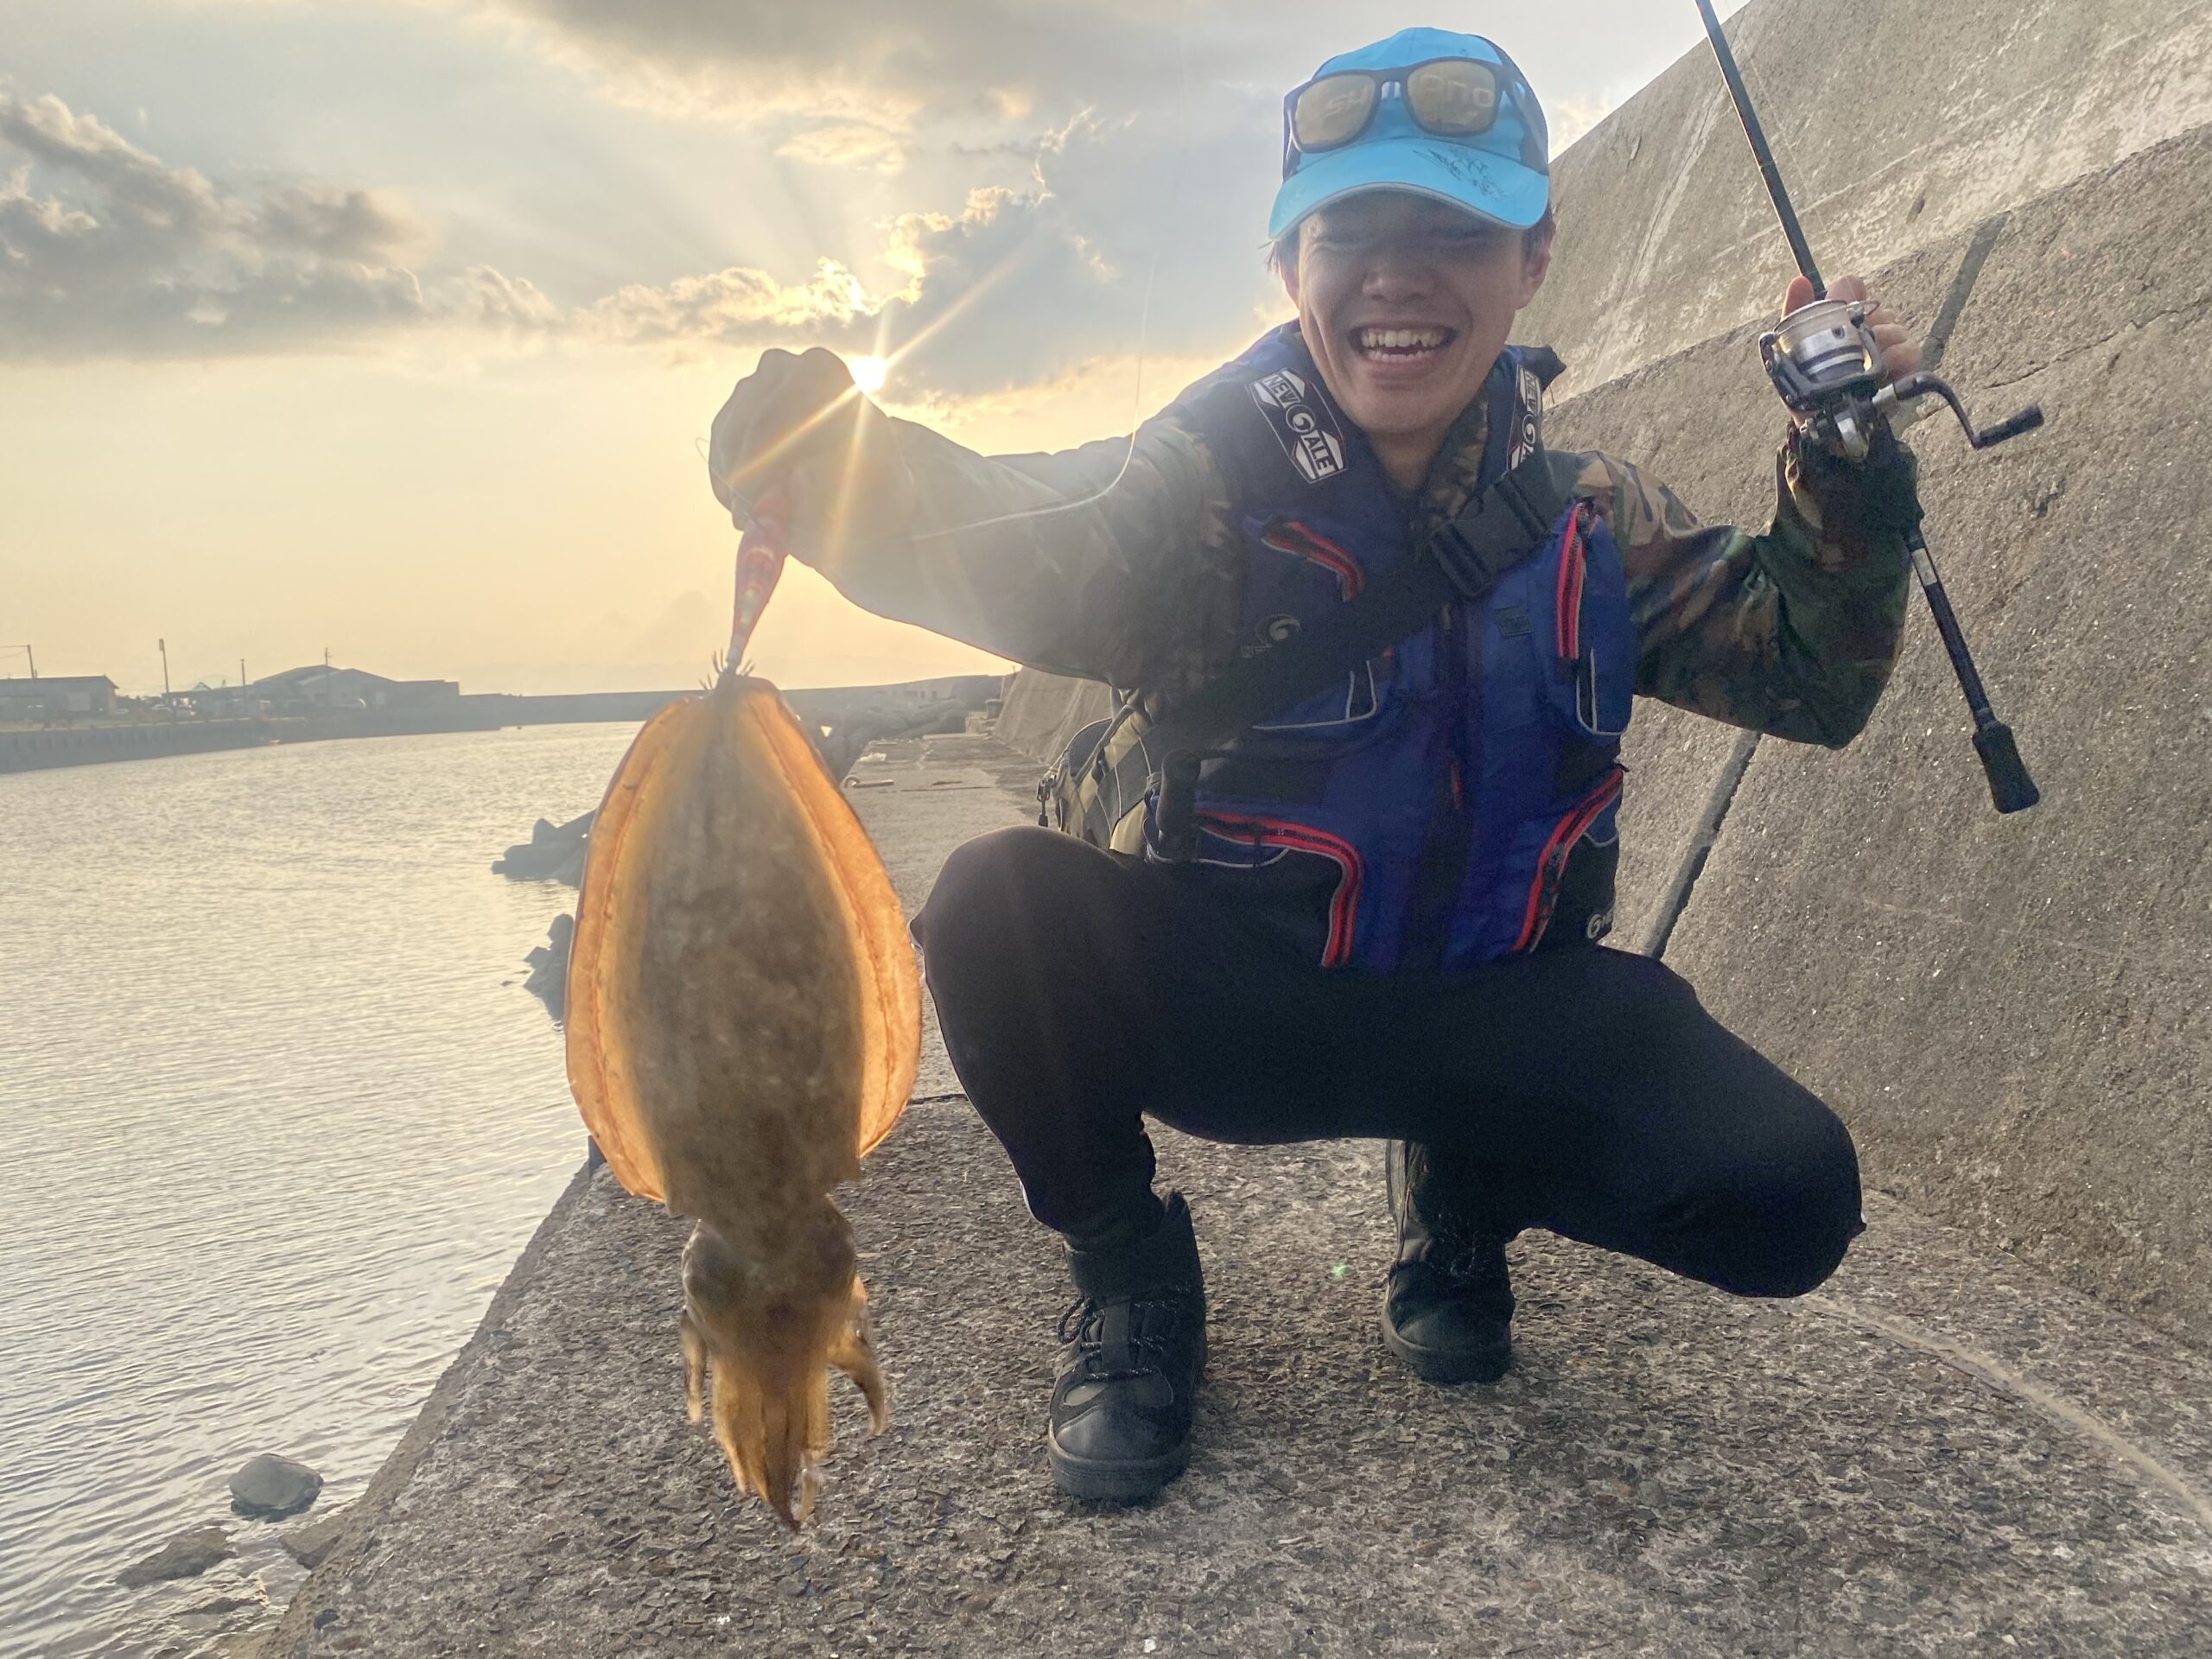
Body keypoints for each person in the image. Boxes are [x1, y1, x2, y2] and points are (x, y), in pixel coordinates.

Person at [707, 27, 1925, 1503]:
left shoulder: (1595, 518)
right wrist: (834, 465)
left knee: (1788, 1197)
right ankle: (1130, 1271)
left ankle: (1466, 1188)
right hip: (1244, 1012)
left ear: (1533, 260)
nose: (1398, 278)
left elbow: (1807, 673)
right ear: (1291, 267)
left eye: (1455, 234)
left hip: (1498, 1007)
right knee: (993, 904)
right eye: (1351, 236)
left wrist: (1848, 462)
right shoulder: (1191, 491)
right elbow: (1032, 540)